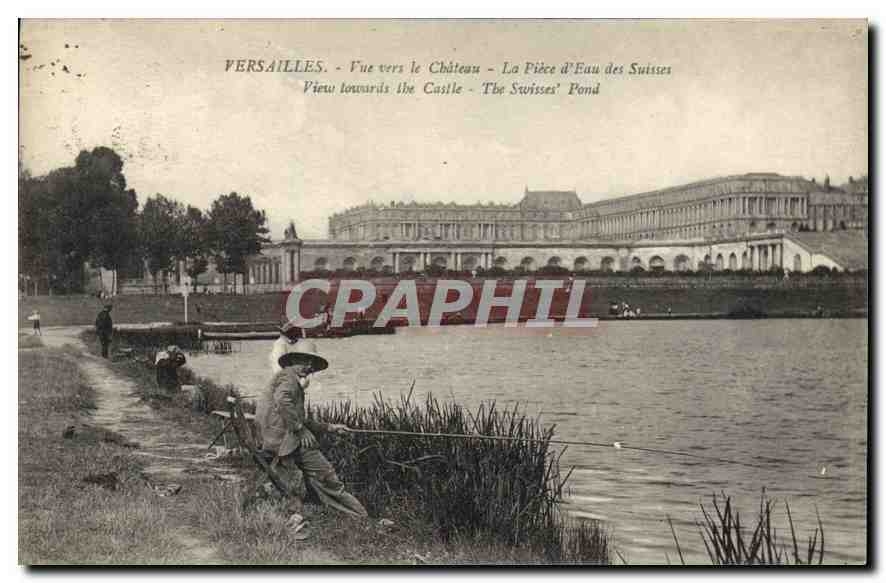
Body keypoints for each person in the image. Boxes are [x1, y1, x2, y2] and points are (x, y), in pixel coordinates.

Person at [256, 338, 368, 524]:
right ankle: (361, 517)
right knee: (327, 475)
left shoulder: (286, 378)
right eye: (303, 360)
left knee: (320, 472)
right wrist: (300, 430)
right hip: (281, 441)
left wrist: (330, 427)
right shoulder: (288, 379)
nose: (309, 366)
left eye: (312, 363)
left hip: (276, 438)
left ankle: (345, 511)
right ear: (292, 361)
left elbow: (295, 415)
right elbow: (283, 402)